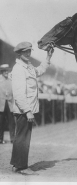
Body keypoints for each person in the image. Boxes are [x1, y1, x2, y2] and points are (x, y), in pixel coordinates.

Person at [10, 42, 54, 174]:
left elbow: (39, 71)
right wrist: (27, 111)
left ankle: (17, 165)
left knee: (23, 137)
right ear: (19, 53)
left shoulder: (28, 67)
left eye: (29, 51)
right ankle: (21, 166)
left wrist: (48, 58)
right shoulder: (18, 69)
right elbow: (18, 93)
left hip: (27, 109)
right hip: (24, 109)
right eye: (25, 52)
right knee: (23, 137)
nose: (28, 54)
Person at [0, 64, 15, 144]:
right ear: (2, 72)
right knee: (0, 122)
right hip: (1, 104)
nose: (6, 72)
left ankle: (12, 138)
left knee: (11, 122)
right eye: (4, 71)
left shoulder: (10, 80)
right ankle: (0, 139)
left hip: (9, 103)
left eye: (7, 70)